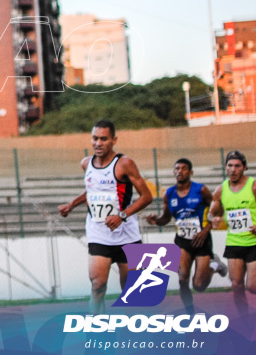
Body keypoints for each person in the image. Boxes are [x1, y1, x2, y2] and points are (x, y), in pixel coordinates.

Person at [58, 120, 153, 313]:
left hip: (127, 234)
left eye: (103, 139)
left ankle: (131, 330)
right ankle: (97, 329)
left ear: (113, 140)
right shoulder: (86, 164)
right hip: (99, 232)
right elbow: (92, 191)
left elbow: (147, 197)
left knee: (131, 289)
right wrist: (72, 205)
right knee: (98, 285)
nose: (98, 143)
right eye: (95, 138)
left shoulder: (124, 164)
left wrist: (121, 215)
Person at [145, 157, 226, 312]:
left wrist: (206, 230)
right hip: (182, 241)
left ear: (191, 172)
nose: (179, 171)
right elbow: (166, 218)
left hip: (201, 239)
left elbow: (218, 210)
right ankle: (190, 314)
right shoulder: (169, 194)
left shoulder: (201, 190)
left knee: (199, 285)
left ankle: (215, 264)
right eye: (177, 169)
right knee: (182, 279)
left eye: (183, 168)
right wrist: (156, 220)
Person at [209, 150, 256, 316]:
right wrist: (214, 219)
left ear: (244, 168)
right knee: (236, 285)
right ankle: (245, 318)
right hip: (234, 242)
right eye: (230, 165)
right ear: (225, 167)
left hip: (253, 243)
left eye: (237, 166)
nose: (233, 169)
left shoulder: (253, 186)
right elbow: (213, 213)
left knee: (252, 286)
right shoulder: (221, 190)